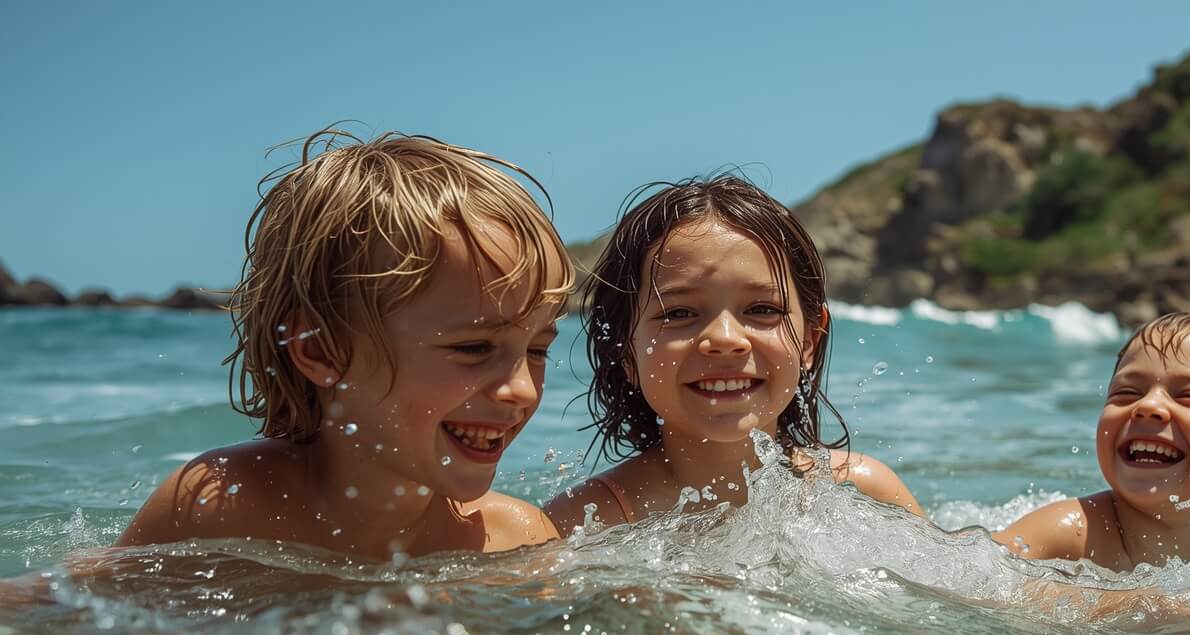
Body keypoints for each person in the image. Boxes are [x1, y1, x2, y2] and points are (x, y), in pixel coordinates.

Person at [118, 128, 572, 561]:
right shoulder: (219, 511)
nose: (524, 391)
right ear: (321, 350)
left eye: (536, 351)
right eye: (475, 348)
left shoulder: (519, 541)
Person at [545, 176, 922, 532]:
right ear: (626, 352)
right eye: (679, 313)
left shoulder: (864, 492)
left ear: (809, 340)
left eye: (762, 310)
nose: (726, 339)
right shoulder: (584, 522)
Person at [997, 312, 1190, 572]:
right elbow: (977, 582)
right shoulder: (1068, 531)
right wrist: (1120, 605)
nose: (1147, 405)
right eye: (1126, 392)